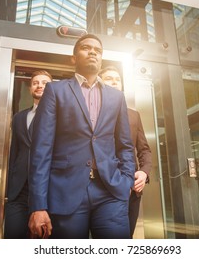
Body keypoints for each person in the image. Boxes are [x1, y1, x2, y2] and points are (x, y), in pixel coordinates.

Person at [28, 34, 135, 239]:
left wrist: (127, 180)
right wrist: (38, 205)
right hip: (65, 192)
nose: (93, 51)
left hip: (110, 191)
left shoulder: (117, 96)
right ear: (74, 58)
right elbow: (41, 149)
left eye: (98, 50)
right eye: (86, 47)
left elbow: (125, 144)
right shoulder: (55, 90)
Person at [99, 66, 152, 238]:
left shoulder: (134, 115)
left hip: (131, 188)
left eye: (117, 79)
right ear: (99, 83)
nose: (114, 81)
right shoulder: (91, 112)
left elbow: (144, 149)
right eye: (108, 78)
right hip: (99, 187)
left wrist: (143, 173)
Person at [4, 70, 52, 239]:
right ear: (30, 88)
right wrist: (10, 185)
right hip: (19, 190)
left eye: (45, 83)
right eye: (35, 83)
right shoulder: (19, 117)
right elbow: (15, 152)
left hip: (48, 189)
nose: (40, 85)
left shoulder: (61, 116)